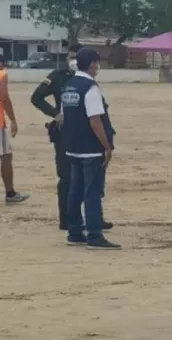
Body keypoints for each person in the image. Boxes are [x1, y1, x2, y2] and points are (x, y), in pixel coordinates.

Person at [30, 44, 114, 230]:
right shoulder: (58, 77)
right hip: (65, 134)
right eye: (72, 57)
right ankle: (68, 220)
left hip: (84, 133)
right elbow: (36, 98)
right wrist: (55, 113)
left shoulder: (85, 81)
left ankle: (94, 218)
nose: (75, 60)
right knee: (68, 178)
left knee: (94, 177)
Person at [61, 48, 120, 250]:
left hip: (72, 147)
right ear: (92, 64)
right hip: (91, 148)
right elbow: (95, 121)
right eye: (97, 63)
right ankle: (95, 235)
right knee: (92, 193)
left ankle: (74, 232)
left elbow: (63, 117)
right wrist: (107, 146)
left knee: (75, 192)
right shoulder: (90, 88)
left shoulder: (68, 86)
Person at [0, 55, 28, 204]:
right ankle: (10, 193)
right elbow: (3, 96)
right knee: (5, 156)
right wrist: (13, 119)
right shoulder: (2, 74)